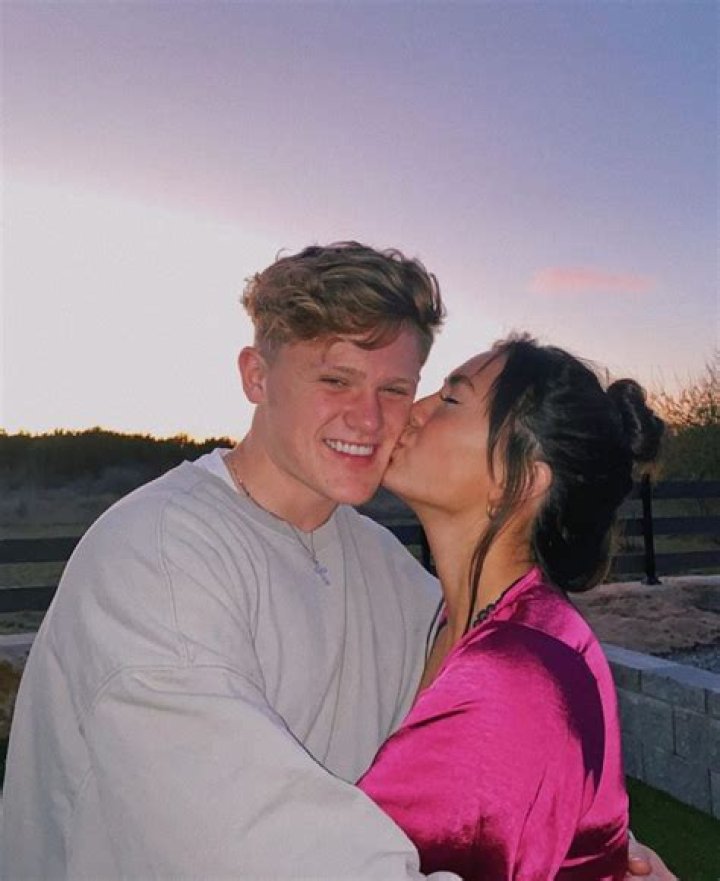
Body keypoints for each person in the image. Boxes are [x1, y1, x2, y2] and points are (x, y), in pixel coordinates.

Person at [2, 243, 671, 880]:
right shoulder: (156, 558)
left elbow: (507, 740)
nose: (370, 419)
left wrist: (600, 850)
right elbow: (253, 847)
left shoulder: (387, 570)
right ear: (256, 375)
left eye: (395, 389)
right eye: (336, 379)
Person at [358, 337, 666, 879]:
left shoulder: (511, 675)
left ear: (519, 479)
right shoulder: (478, 622)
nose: (413, 410)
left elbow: (355, 857)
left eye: (450, 400)